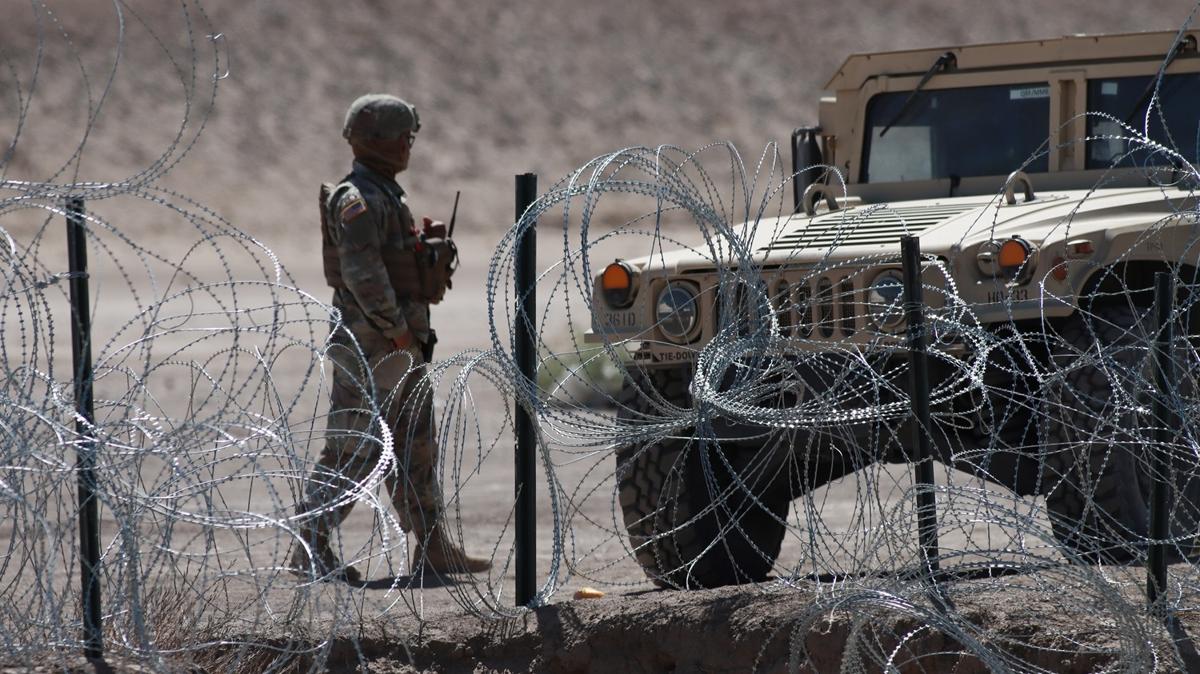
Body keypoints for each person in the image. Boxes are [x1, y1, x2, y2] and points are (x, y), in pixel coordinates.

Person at [291, 93, 490, 583]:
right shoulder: (355, 199)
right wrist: (398, 331)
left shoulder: (385, 196)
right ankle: (308, 545)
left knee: (415, 445)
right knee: (354, 448)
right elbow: (363, 276)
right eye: (404, 137)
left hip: (402, 345)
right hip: (374, 346)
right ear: (381, 141)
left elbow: (389, 267)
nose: (409, 145)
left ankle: (433, 545)